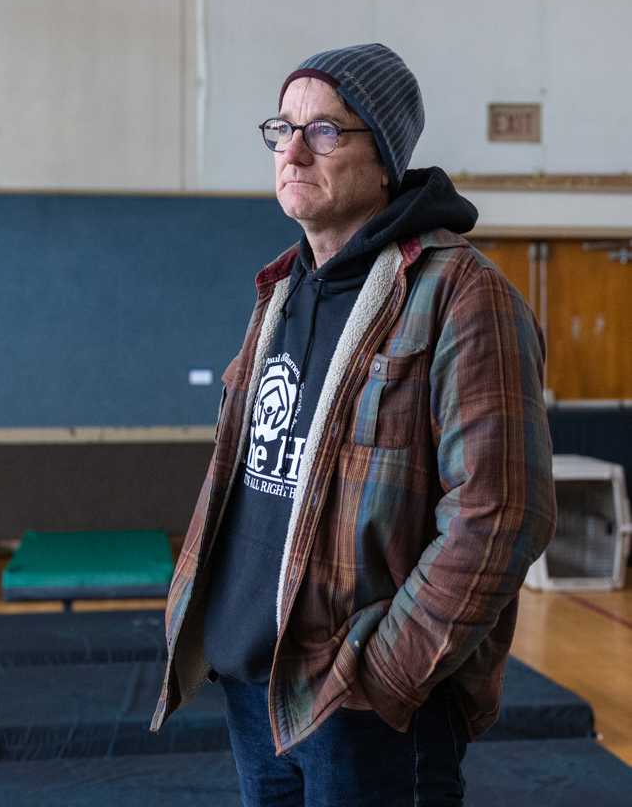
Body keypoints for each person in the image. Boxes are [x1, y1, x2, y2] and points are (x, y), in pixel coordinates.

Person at [150, 43, 557, 806]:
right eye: (283, 128)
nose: (294, 149)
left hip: (368, 711)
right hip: (253, 685)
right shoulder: (280, 292)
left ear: (385, 162)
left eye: (327, 131)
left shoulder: (462, 296)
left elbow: (502, 516)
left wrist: (381, 676)